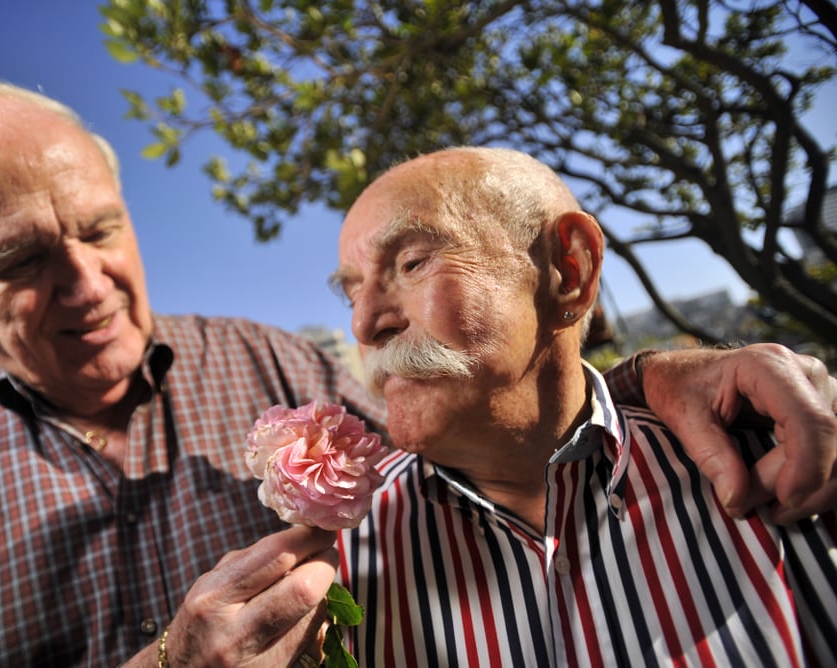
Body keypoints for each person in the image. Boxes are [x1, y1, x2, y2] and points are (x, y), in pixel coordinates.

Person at [0, 79, 833, 667]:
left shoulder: (284, 368)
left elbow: (495, 413)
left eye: (99, 230)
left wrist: (653, 375)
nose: (87, 282)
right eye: (19, 260)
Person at [331, 146, 837, 666]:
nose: (365, 324)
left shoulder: (783, 458)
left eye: (413, 263)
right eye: (350, 295)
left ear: (568, 269)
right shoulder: (331, 554)